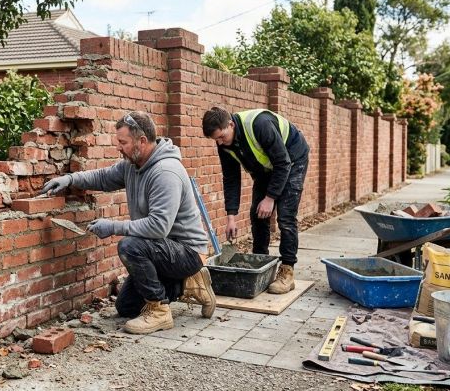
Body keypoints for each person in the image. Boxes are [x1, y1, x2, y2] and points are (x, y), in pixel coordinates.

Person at [40, 111, 216, 335]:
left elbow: (157, 226)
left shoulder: (165, 172)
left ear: (141, 141)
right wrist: (69, 179)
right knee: (127, 307)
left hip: (186, 251)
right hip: (159, 248)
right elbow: (103, 177)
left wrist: (113, 227)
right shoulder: (132, 165)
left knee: (129, 245)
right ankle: (189, 284)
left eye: (123, 142)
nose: (118, 147)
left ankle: (160, 312)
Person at [202, 107, 310, 294]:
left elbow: (283, 163)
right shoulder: (223, 145)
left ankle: (287, 271)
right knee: (257, 213)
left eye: (221, 137)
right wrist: (231, 217)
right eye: (216, 140)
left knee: (285, 217)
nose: (219, 143)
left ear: (231, 124)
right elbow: (231, 179)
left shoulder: (260, 125)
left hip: (292, 159)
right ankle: (262, 264)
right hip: (266, 167)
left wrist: (270, 198)